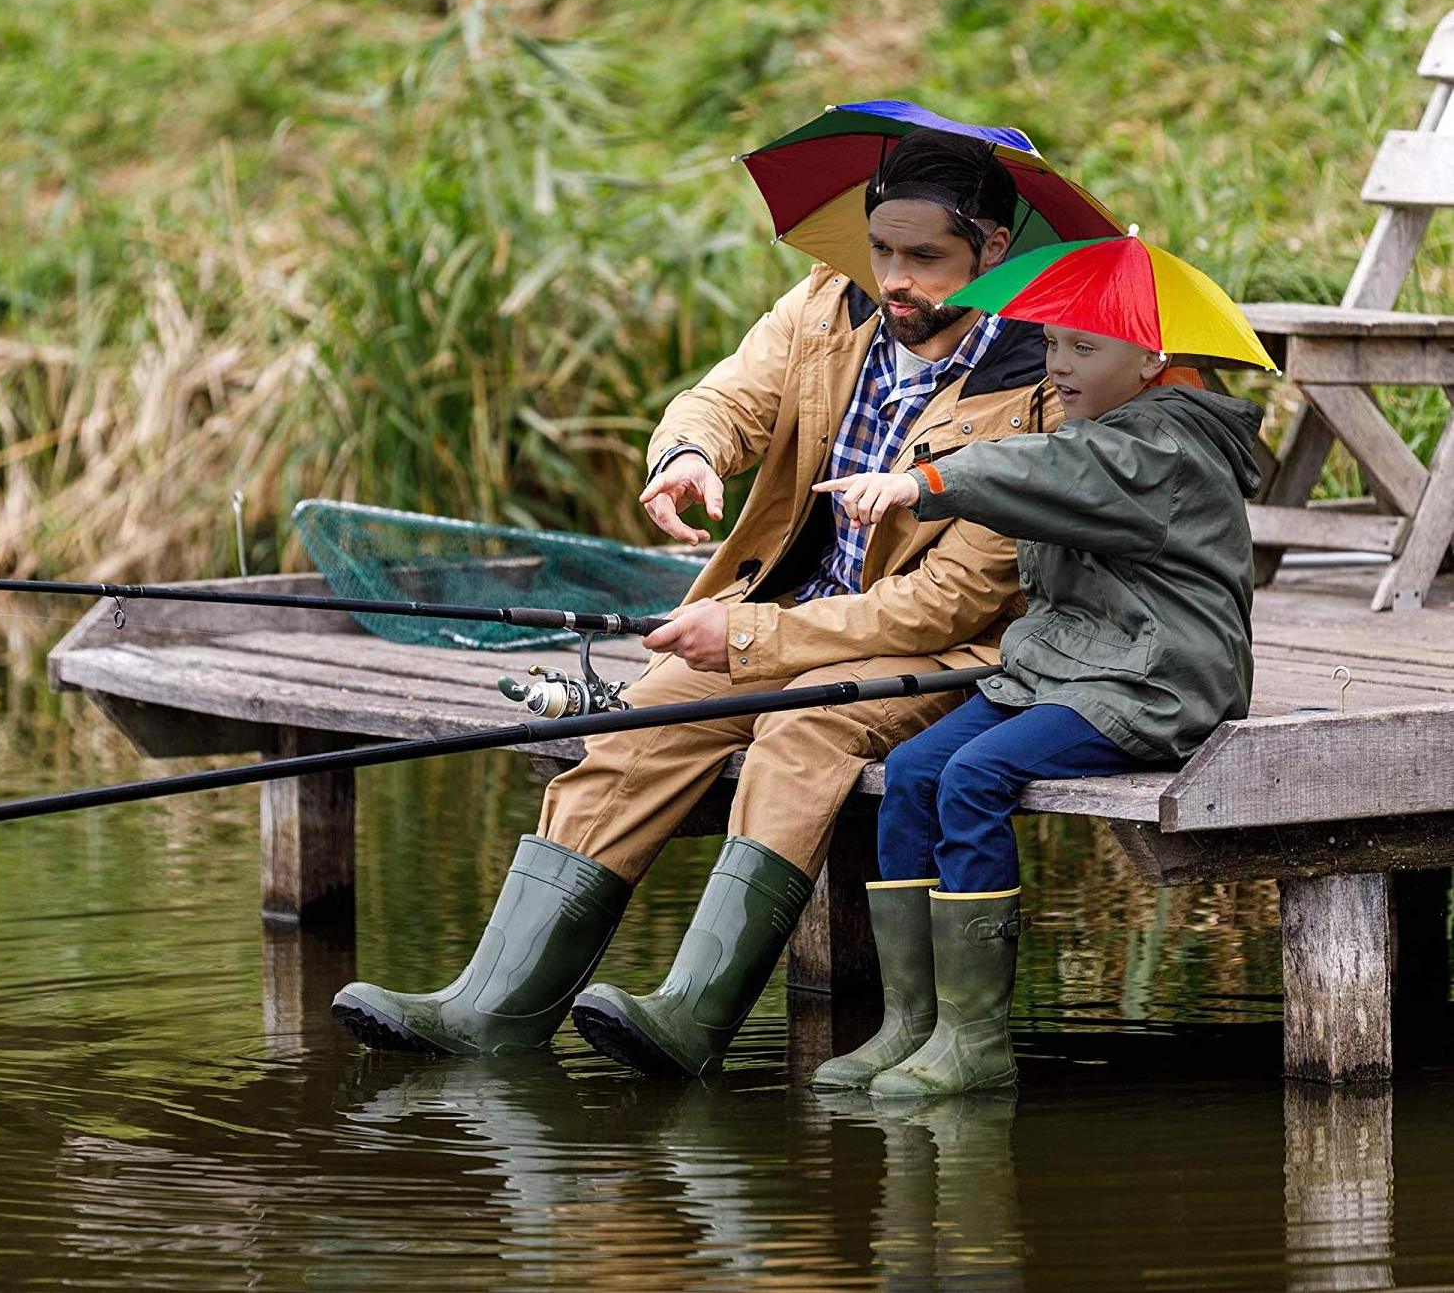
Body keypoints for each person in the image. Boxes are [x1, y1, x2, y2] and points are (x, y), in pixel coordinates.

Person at [331, 128, 1063, 1078]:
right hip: (786, 618)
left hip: (946, 651)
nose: (895, 277)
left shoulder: (1042, 383)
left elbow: (950, 601)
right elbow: (724, 398)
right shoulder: (824, 308)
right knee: (645, 718)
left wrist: (751, 635)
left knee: (803, 736)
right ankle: (492, 1006)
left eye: (925, 257)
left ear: (992, 250)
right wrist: (686, 455)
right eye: (883, 249)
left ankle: (695, 1014)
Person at [807, 325, 1263, 1096]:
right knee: (915, 769)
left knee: (976, 776)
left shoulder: (1161, 443)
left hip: (1158, 682)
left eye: (1085, 349)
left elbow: (1054, 471)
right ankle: (911, 1024)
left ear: (1152, 360)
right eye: (1053, 345)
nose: (1058, 365)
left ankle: (974, 1039)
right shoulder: (1096, 427)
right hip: (1070, 669)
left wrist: (923, 482)